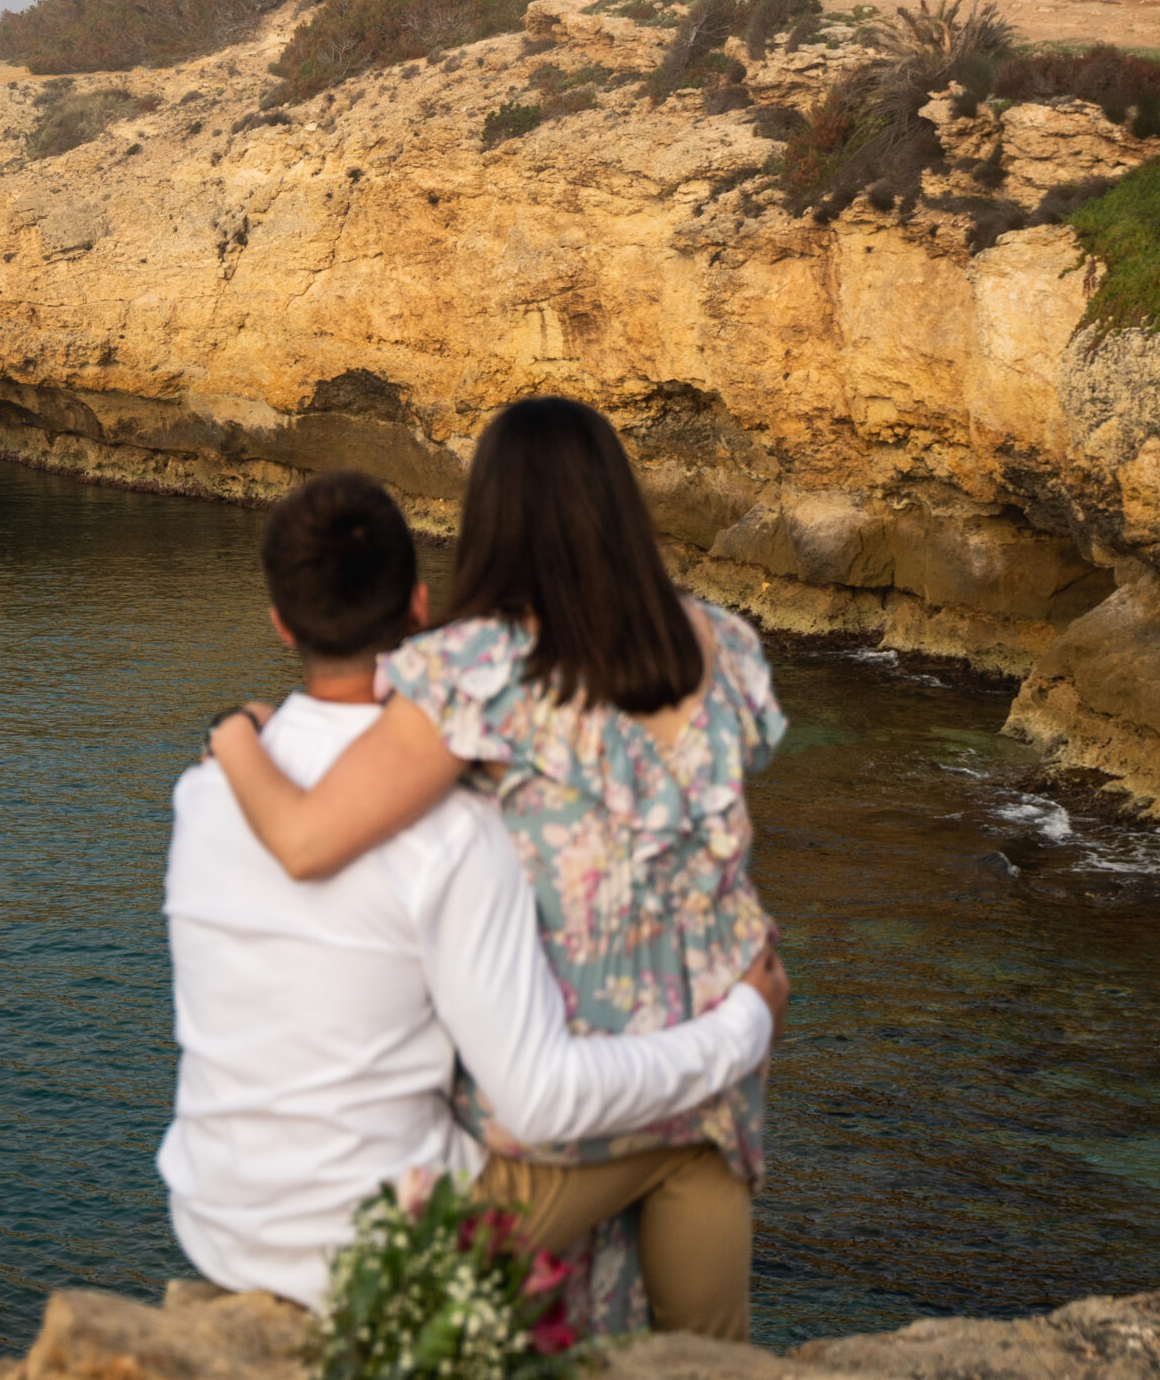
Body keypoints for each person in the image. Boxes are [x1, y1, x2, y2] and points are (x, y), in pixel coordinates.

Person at [210, 398, 788, 1340]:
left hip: (556, 1094)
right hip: (712, 1065)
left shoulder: (474, 672)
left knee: (498, 1335)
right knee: (702, 1354)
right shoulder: (723, 648)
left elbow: (310, 838)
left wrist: (236, 741)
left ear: (491, 520)